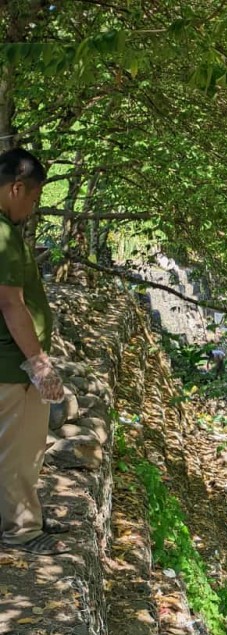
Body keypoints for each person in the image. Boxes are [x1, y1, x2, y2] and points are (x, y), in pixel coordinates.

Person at [0, 148, 68, 556]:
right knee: (21, 449)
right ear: (16, 187)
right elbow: (11, 303)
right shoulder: (4, 235)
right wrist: (39, 364)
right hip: (12, 364)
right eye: (34, 197)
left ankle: (24, 513)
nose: (33, 206)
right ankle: (22, 529)